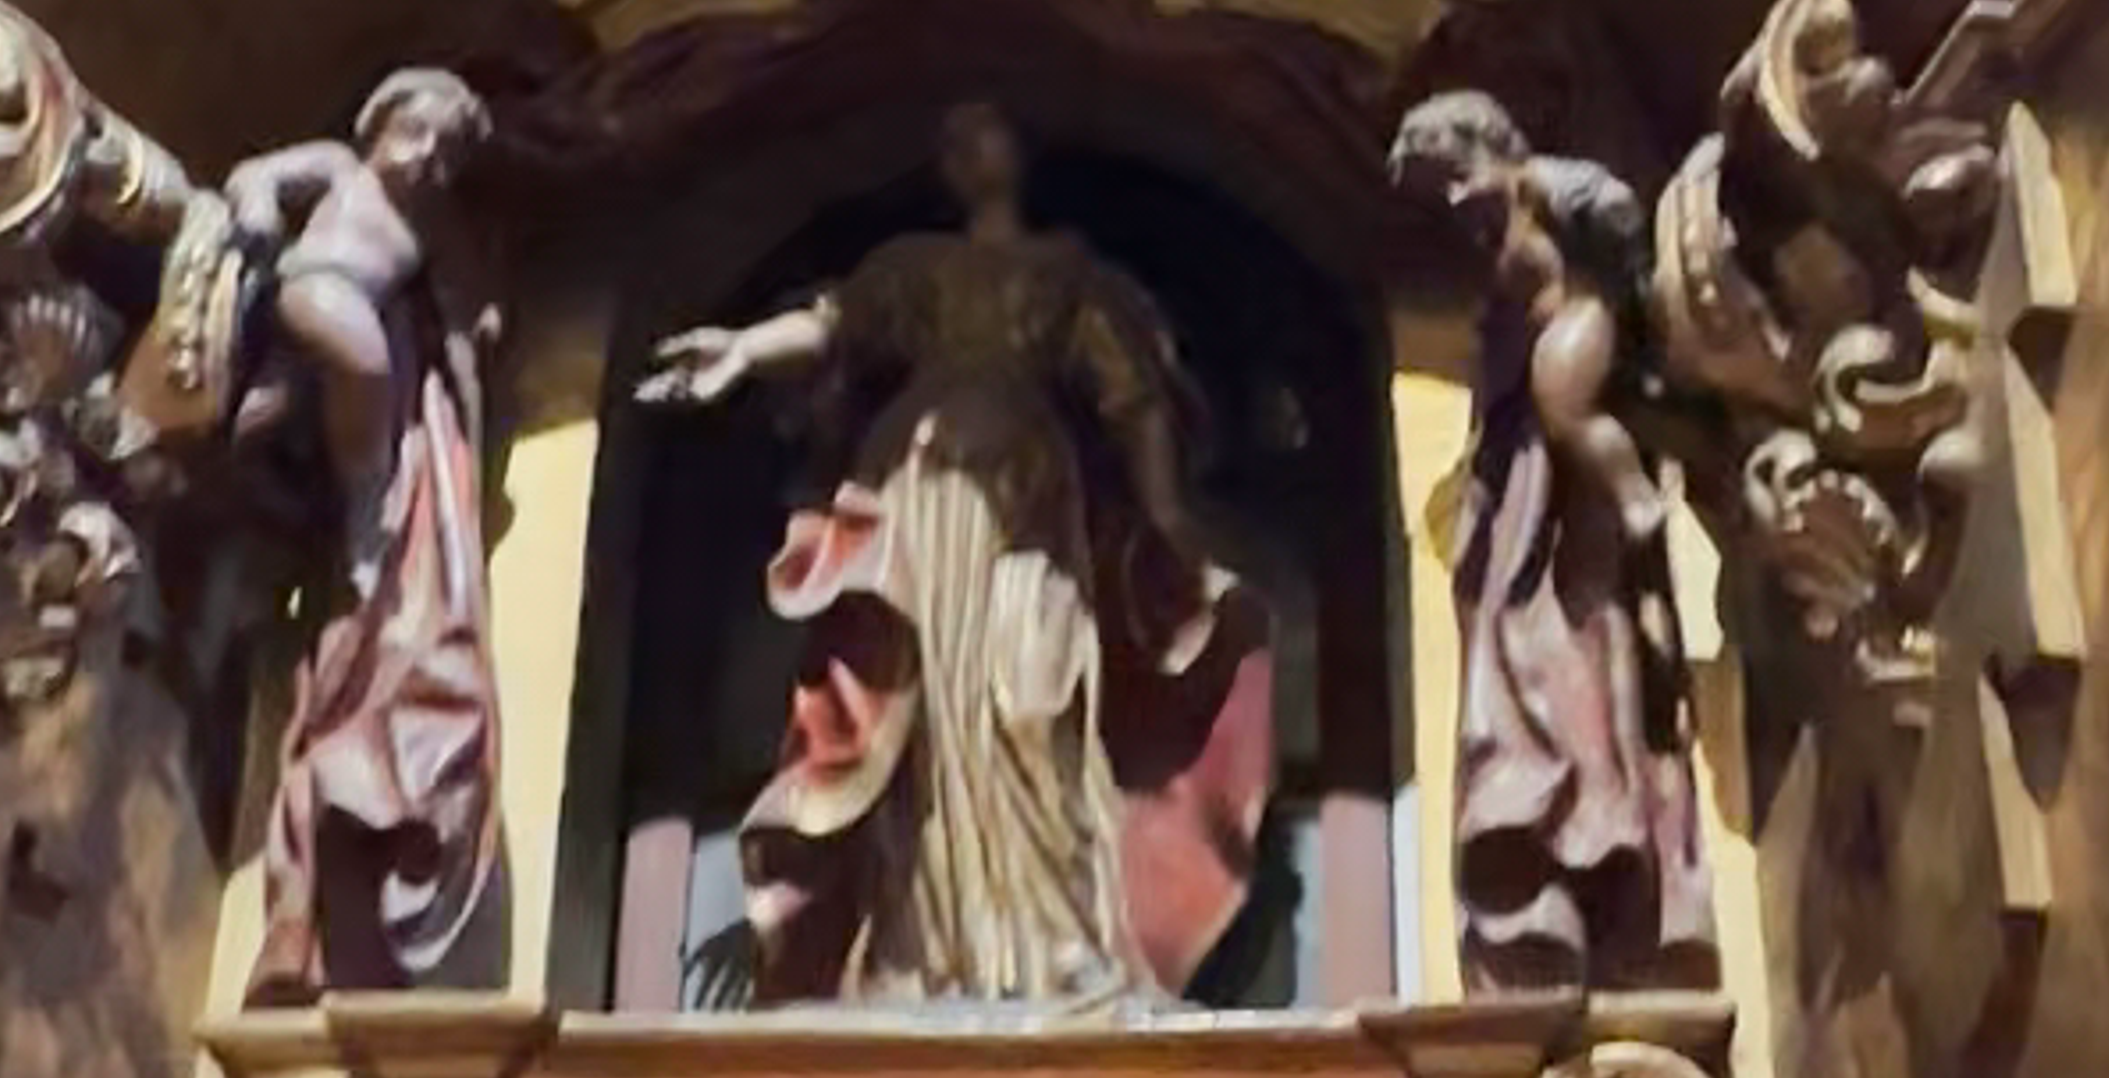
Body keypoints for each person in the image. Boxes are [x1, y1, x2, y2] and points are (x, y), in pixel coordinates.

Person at [640, 105, 1267, 1010]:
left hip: (1028, 511)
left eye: (984, 131)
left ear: (1023, 147)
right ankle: (923, 952)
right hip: (918, 511)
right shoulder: (916, 270)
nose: (963, 151)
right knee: (923, 717)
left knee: (1033, 700)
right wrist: (743, 349)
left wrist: (1166, 512)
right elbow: (837, 324)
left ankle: (1059, 948)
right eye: (949, 140)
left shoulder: (1066, 278)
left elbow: (1132, 395)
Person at [186, 68, 506, 1000]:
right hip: (314, 294)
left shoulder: (421, 230)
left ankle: (273, 461)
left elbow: (463, 330)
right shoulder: (335, 167)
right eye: (417, 130)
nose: (428, 155)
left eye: (447, 148)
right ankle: (297, 475)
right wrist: (253, 211)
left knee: (322, 420)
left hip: (340, 320)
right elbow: (257, 176)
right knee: (356, 368)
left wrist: (473, 391)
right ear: (379, 122)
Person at [1392, 85, 1713, 996]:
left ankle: (1635, 497)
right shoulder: (1490, 237)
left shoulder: (1542, 186)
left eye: (1454, 173)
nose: (1455, 198)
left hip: (1581, 331)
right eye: (1440, 189)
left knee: (1566, 406)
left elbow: (1615, 216)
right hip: (1522, 428)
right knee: (1510, 603)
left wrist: (1639, 304)